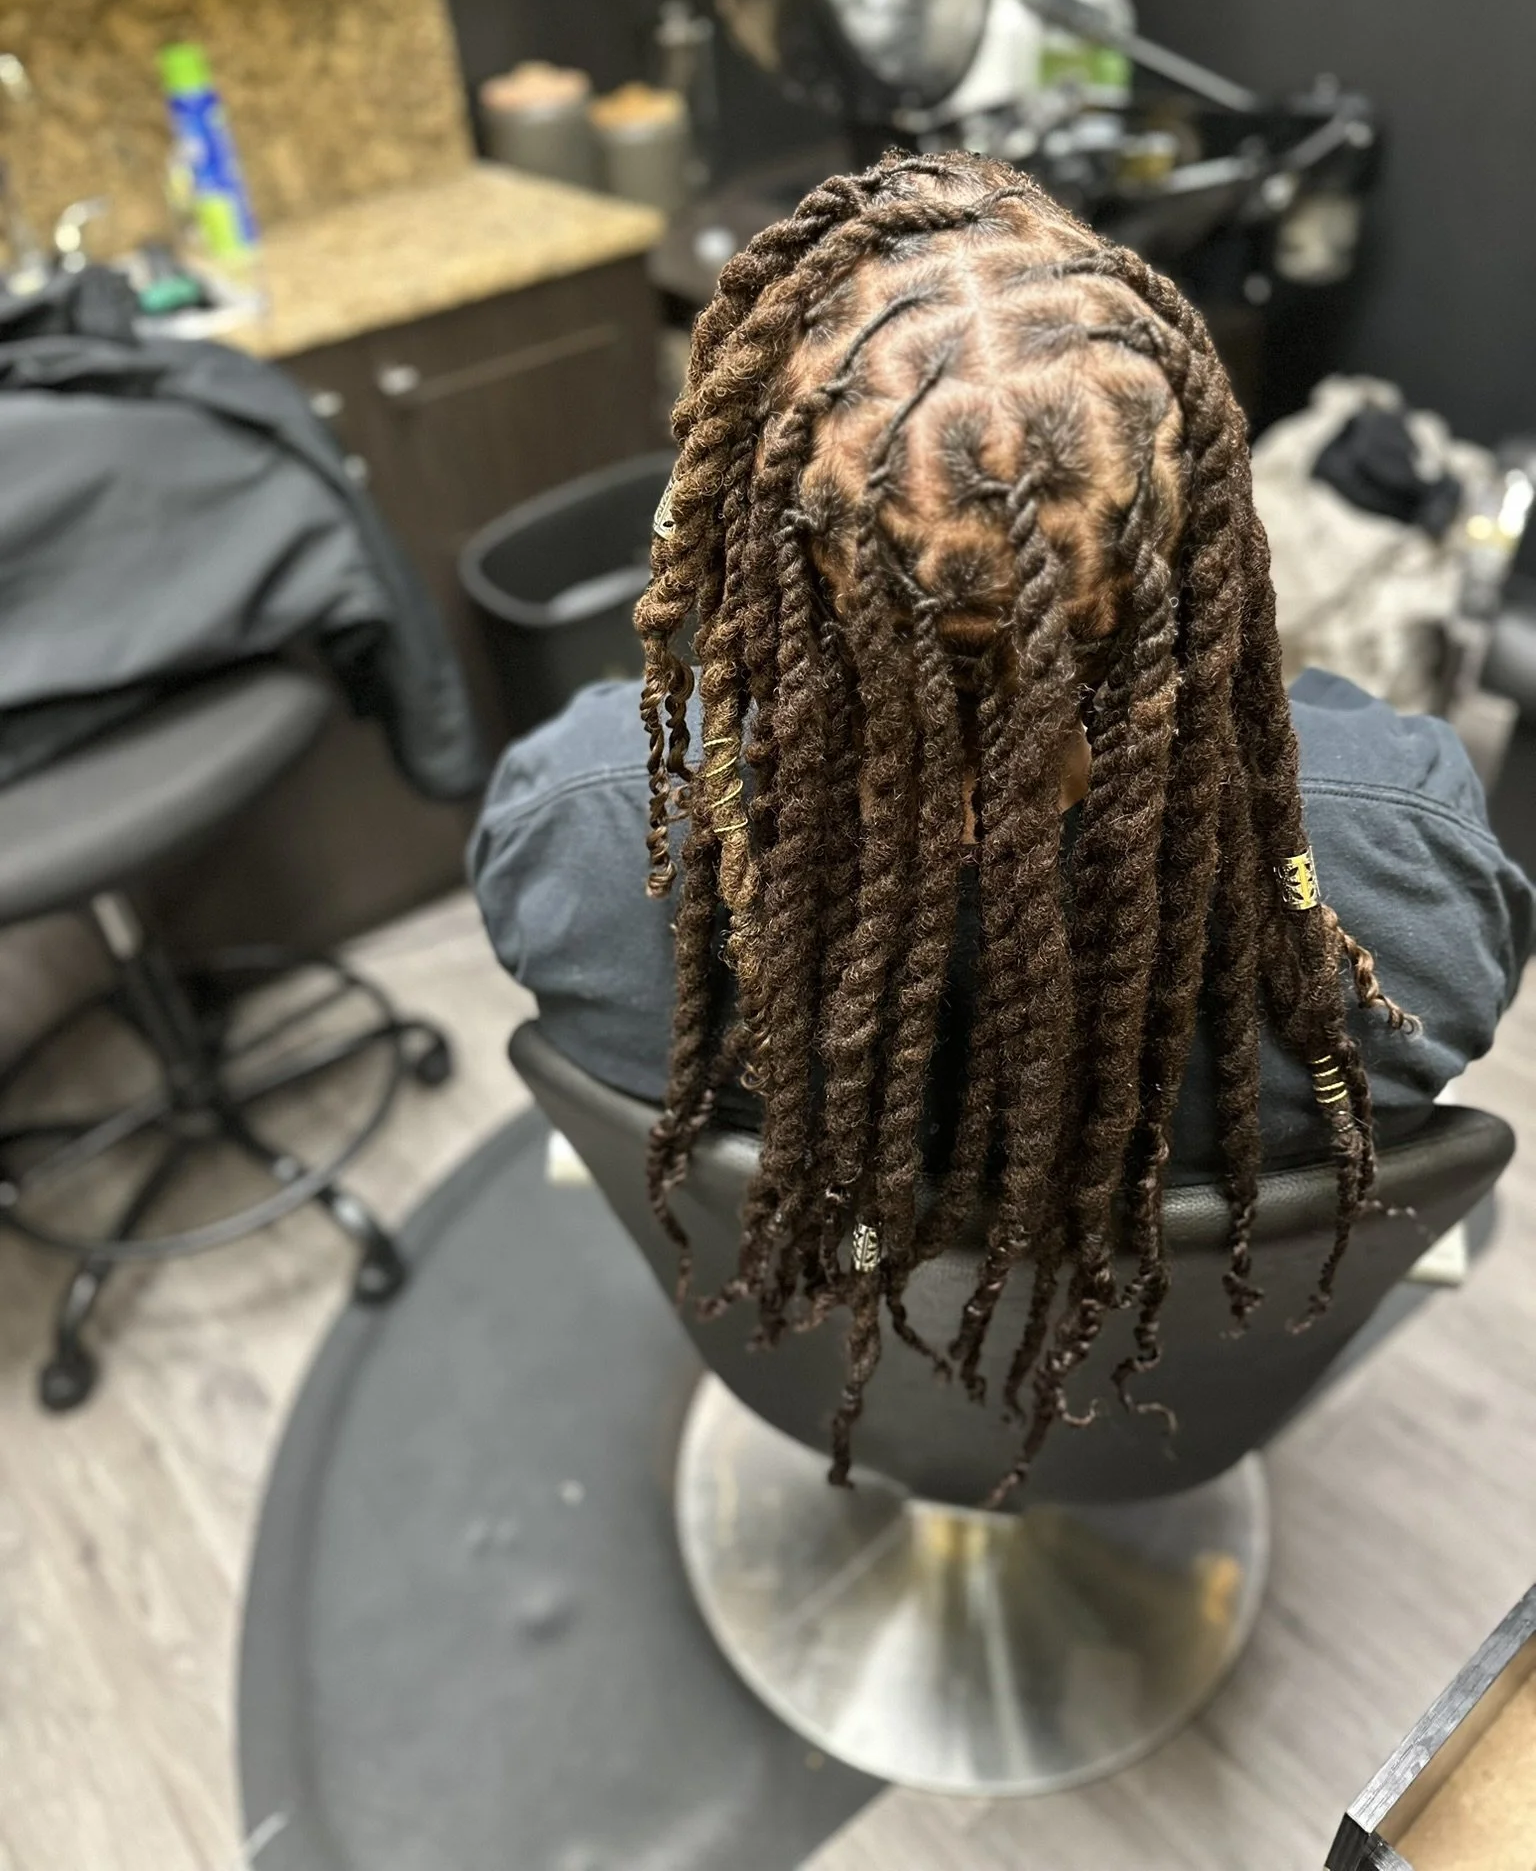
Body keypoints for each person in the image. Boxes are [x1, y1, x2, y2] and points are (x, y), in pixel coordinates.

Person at [471, 153, 1532, 1499]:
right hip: (1156, 1385)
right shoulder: (1401, 867)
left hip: (830, 1302)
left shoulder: (579, 832)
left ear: (750, 548)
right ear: (1206, 541)